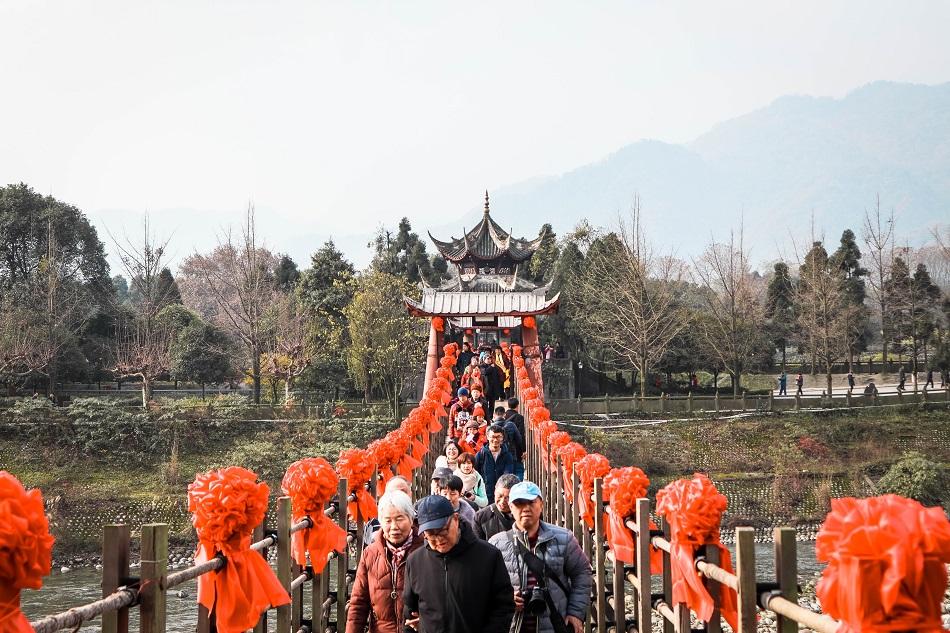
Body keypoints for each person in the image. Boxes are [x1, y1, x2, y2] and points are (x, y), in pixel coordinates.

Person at [489, 481, 592, 633]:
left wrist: (575, 612)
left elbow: (582, 573)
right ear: (511, 507)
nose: (525, 508)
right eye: (519, 503)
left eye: (531, 502)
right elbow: (485, 586)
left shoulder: (563, 538)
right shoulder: (497, 543)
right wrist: (505, 598)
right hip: (513, 625)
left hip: (554, 624)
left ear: (541, 504)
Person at [403, 495, 515, 633]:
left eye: (442, 531)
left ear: (456, 519)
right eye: (430, 534)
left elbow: (504, 607)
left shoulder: (488, 556)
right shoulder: (415, 562)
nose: (438, 539)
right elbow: (410, 612)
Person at [347, 491, 423, 633]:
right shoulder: (370, 553)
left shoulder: (426, 551)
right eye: (388, 520)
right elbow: (358, 603)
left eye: (400, 519)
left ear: (411, 519)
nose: (394, 526)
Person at [364, 476, 413, 545]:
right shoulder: (373, 524)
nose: (397, 496)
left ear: (410, 494)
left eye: (403, 492)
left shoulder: (421, 519)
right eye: (392, 493)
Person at [476, 424, 516, 499]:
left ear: (502, 438)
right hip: (484, 495)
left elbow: (508, 474)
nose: (495, 440)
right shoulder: (480, 455)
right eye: (493, 437)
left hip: (501, 495)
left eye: (498, 437)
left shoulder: (507, 455)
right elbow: (476, 474)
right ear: (487, 437)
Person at [475, 473, 519, 540]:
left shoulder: (524, 516)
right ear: (495, 491)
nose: (502, 501)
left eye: (508, 498)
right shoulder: (481, 517)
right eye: (500, 496)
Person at [504, 398, 526, 479]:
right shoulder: (519, 417)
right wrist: (524, 450)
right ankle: (518, 486)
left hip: (506, 446)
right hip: (516, 447)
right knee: (519, 469)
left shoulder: (504, 415)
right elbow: (521, 434)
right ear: (517, 406)